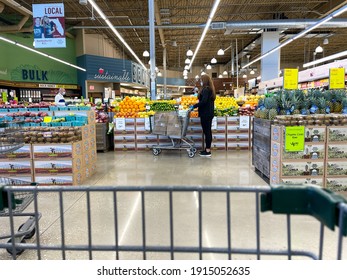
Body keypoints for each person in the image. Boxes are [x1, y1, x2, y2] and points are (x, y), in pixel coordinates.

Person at [191, 74, 216, 157]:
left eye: (201, 80)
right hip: (208, 113)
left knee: (207, 132)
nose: (200, 82)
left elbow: (204, 101)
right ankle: (207, 149)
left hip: (206, 114)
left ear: (204, 81)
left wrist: (194, 106)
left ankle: (208, 151)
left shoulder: (206, 89)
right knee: (207, 131)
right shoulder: (210, 89)